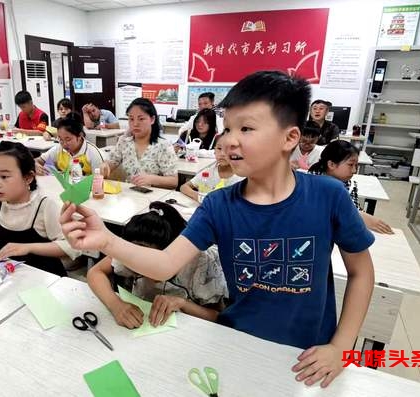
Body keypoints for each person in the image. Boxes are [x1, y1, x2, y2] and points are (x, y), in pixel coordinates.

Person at [61, 71, 376, 388]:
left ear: (290, 138)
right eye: (228, 128)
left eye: (247, 128)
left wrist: (341, 347)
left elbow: (361, 273)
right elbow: (165, 262)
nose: (229, 140)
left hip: (308, 355)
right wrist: (107, 240)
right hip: (233, 340)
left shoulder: (327, 196)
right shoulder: (218, 205)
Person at [88, 202, 227, 328]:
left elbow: (217, 317)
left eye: (147, 259)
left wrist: (183, 304)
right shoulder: (132, 253)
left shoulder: (201, 265)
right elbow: (95, 272)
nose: (137, 264)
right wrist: (116, 305)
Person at [0, 141, 79, 277]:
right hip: (10, 277)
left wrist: (28, 248)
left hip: (46, 279)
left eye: (4, 176)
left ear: (28, 178)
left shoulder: (44, 205)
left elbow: (70, 246)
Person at [308, 140, 394, 235]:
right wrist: (358, 216)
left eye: (356, 165)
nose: (354, 170)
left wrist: (360, 216)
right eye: (350, 165)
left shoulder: (349, 184)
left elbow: (353, 206)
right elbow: (319, 211)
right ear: (331, 164)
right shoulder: (312, 182)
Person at [99, 98, 178, 189]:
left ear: (152, 119)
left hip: (154, 198)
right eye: (131, 119)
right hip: (129, 197)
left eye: (141, 119)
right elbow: (112, 161)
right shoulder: (124, 141)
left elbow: (174, 181)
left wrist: (151, 179)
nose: (135, 124)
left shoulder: (163, 146)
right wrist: (105, 165)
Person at [35, 112, 104, 176]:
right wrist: (35, 165)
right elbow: (39, 160)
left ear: (79, 136)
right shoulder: (59, 148)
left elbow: (100, 180)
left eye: (68, 139)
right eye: (60, 139)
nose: (64, 144)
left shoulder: (93, 153)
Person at [180, 134, 243, 201]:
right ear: (214, 151)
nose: (222, 154)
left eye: (228, 149)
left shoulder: (241, 178)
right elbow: (183, 187)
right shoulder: (208, 172)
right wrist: (198, 196)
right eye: (219, 148)